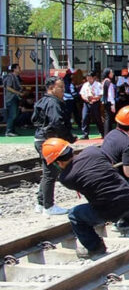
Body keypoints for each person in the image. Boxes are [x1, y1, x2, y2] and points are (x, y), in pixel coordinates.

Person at [42, 138, 129, 258]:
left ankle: (95, 247)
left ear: (58, 163)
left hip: (109, 210)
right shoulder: (92, 151)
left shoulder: (66, 178)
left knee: (74, 215)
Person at [31, 76, 73, 216]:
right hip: (49, 141)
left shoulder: (42, 101)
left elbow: (34, 119)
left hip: (40, 139)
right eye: (60, 87)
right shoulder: (53, 103)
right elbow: (56, 122)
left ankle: (41, 203)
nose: (63, 91)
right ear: (51, 88)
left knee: (47, 173)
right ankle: (48, 206)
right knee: (50, 174)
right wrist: (68, 137)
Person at [79, 71, 103, 140]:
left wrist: (94, 98)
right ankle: (85, 134)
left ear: (94, 78)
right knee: (85, 117)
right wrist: (86, 99)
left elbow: (100, 94)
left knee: (97, 118)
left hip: (95, 103)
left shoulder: (98, 84)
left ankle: (102, 132)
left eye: (90, 78)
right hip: (87, 103)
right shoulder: (85, 85)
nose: (89, 79)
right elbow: (82, 94)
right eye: (87, 78)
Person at [4, 63, 22, 137]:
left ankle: (12, 130)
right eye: (19, 68)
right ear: (14, 69)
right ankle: (8, 131)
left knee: (15, 115)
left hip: (15, 98)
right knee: (12, 115)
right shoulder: (10, 77)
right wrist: (18, 93)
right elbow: (8, 87)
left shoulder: (17, 77)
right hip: (11, 98)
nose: (20, 69)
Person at [62, 69, 80, 135]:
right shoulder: (68, 81)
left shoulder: (65, 80)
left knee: (69, 114)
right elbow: (71, 92)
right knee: (73, 113)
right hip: (69, 99)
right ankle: (71, 126)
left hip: (67, 99)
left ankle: (69, 126)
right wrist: (78, 94)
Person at [101, 68, 117, 136]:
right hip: (109, 102)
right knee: (109, 118)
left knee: (107, 117)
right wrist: (113, 104)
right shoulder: (109, 82)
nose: (112, 74)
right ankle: (108, 133)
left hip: (105, 101)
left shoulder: (104, 81)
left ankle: (107, 133)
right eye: (111, 73)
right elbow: (110, 94)